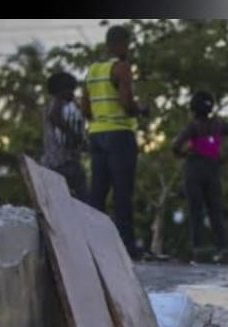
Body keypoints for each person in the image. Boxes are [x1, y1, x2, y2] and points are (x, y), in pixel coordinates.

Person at [81, 25, 148, 257]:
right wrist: (141, 109)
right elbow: (126, 103)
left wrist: (100, 118)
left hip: (97, 134)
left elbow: (85, 109)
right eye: (127, 44)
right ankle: (126, 246)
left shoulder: (92, 71)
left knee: (97, 193)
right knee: (122, 192)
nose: (128, 49)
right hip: (120, 134)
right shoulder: (121, 68)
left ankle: (92, 244)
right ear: (119, 45)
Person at [172, 90, 228, 263]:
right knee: (216, 212)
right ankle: (223, 249)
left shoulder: (193, 126)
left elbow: (176, 147)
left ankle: (197, 250)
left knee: (195, 212)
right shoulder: (219, 125)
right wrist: (223, 155)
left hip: (194, 170)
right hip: (212, 170)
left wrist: (190, 150)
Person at [41, 71, 88, 201]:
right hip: (64, 162)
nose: (73, 94)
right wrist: (74, 136)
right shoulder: (58, 102)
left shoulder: (56, 105)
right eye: (70, 90)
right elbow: (54, 117)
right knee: (84, 201)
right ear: (61, 91)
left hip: (53, 163)